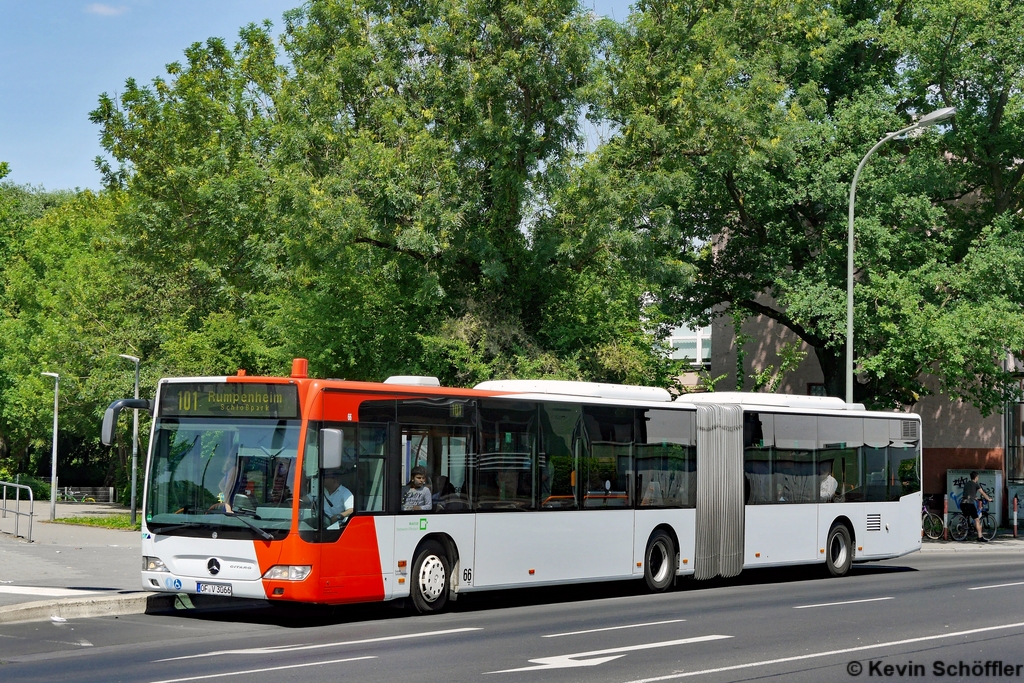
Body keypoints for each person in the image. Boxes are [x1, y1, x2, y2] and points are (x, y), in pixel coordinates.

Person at [961, 471, 993, 542]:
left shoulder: (966, 484)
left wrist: (975, 498)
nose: (978, 478)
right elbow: (982, 492)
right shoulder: (976, 484)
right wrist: (988, 499)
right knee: (977, 520)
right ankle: (980, 537)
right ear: (976, 478)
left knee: (966, 518)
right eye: (978, 477)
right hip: (969, 503)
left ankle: (963, 535)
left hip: (963, 503)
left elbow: (968, 493)